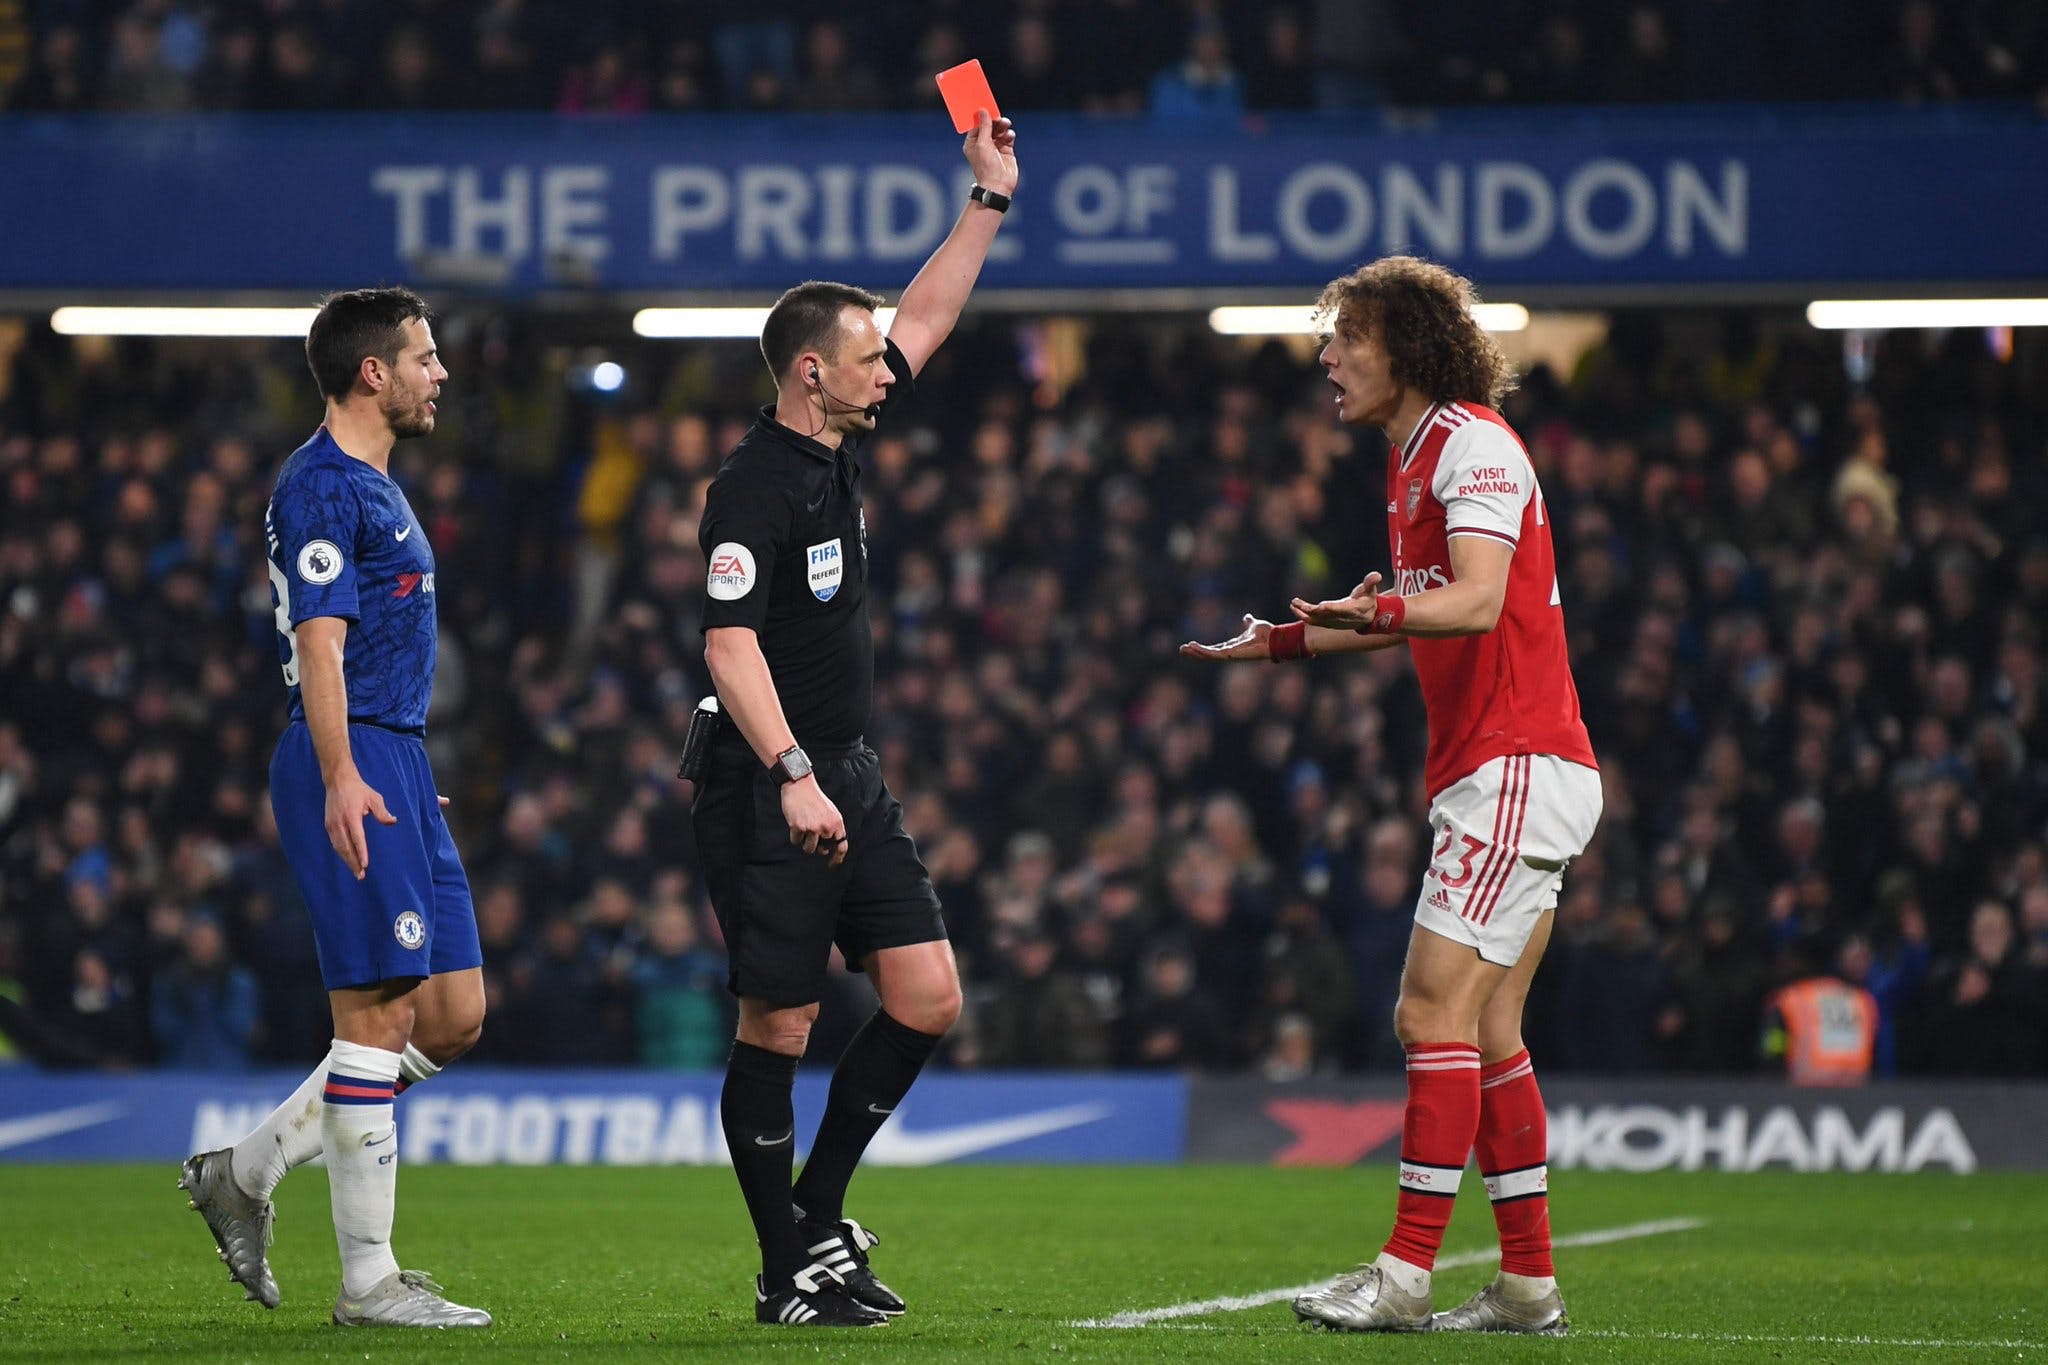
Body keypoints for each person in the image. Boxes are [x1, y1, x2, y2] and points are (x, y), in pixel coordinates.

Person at [1181, 255, 1601, 1336]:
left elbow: (1469, 602)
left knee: (1426, 1013)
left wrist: (1381, 618)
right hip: (1510, 765)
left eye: (1346, 340)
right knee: (1490, 1026)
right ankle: (1525, 1288)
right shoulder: (1415, 457)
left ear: (1403, 348)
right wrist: (1275, 643)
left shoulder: (1469, 445)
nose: (1326, 358)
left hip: (1509, 761)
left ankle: (1404, 1275)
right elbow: (1407, 605)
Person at [690, 111, 1017, 1329]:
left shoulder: (836, 451)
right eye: (867, 355)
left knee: (928, 996)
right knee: (778, 1020)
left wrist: (985, 201)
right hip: (771, 780)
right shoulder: (751, 487)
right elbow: (728, 644)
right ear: (809, 371)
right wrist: (788, 771)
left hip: (846, 771)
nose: (893, 366)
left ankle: (815, 1220)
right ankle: (786, 1273)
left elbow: (924, 316)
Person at [178, 287, 490, 1328]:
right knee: (377, 1015)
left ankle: (245, 1171)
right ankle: (368, 1283)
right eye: (425, 357)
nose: (439, 373)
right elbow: (321, 643)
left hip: (389, 751)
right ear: (374, 372)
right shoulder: (321, 487)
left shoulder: (375, 485)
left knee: (450, 1018)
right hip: (347, 750)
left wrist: (388, 761)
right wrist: (346, 770)